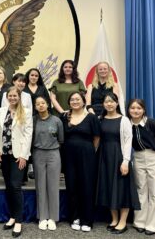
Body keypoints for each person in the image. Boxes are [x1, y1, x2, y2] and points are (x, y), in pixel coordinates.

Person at [96, 93, 140, 234]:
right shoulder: (100, 119)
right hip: (104, 158)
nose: (109, 104)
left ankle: (123, 222)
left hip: (119, 158)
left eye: (112, 101)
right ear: (103, 104)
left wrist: (126, 161)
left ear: (117, 104)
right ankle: (114, 219)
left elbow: (128, 141)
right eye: (106, 101)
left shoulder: (124, 120)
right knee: (109, 188)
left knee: (122, 189)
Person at [0, 86, 33, 237]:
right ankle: (12, 216)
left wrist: (24, 155)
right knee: (9, 186)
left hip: (18, 155)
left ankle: (18, 221)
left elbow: (28, 134)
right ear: (7, 97)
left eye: (15, 96)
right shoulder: (1, 111)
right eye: (10, 96)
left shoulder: (27, 112)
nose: (12, 98)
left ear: (19, 97)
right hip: (4, 154)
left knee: (16, 186)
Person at [61, 92, 100, 232]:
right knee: (71, 186)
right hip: (69, 156)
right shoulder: (64, 117)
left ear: (84, 101)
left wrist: (89, 152)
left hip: (87, 156)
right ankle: (74, 217)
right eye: (72, 99)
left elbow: (96, 138)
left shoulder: (91, 117)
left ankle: (87, 220)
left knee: (87, 186)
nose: (75, 101)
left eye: (77, 99)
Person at [127, 99, 155, 235]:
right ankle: (140, 222)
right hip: (138, 157)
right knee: (141, 190)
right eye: (132, 108)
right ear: (128, 110)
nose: (135, 111)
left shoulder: (151, 123)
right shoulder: (128, 124)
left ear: (144, 110)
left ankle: (153, 226)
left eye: (139, 108)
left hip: (154, 156)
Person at [32, 96, 64, 231]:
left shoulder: (56, 120)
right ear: (35, 106)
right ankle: (42, 217)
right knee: (40, 185)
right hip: (38, 153)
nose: (40, 105)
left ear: (47, 104)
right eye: (37, 104)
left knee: (53, 186)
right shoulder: (33, 120)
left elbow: (61, 139)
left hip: (53, 154)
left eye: (43, 103)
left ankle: (52, 218)